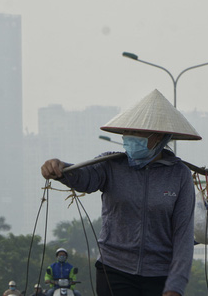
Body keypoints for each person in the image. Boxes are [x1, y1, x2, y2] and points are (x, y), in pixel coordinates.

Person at [41, 89, 199, 296]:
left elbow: (183, 235)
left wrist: (175, 286)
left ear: (158, 136)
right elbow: (85, 177)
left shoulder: (180, 175)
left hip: (159, 274)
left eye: (138, 133)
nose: (129, 138)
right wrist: (61, 169)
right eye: (128, 133)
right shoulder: (111, 164)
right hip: (114, 270)